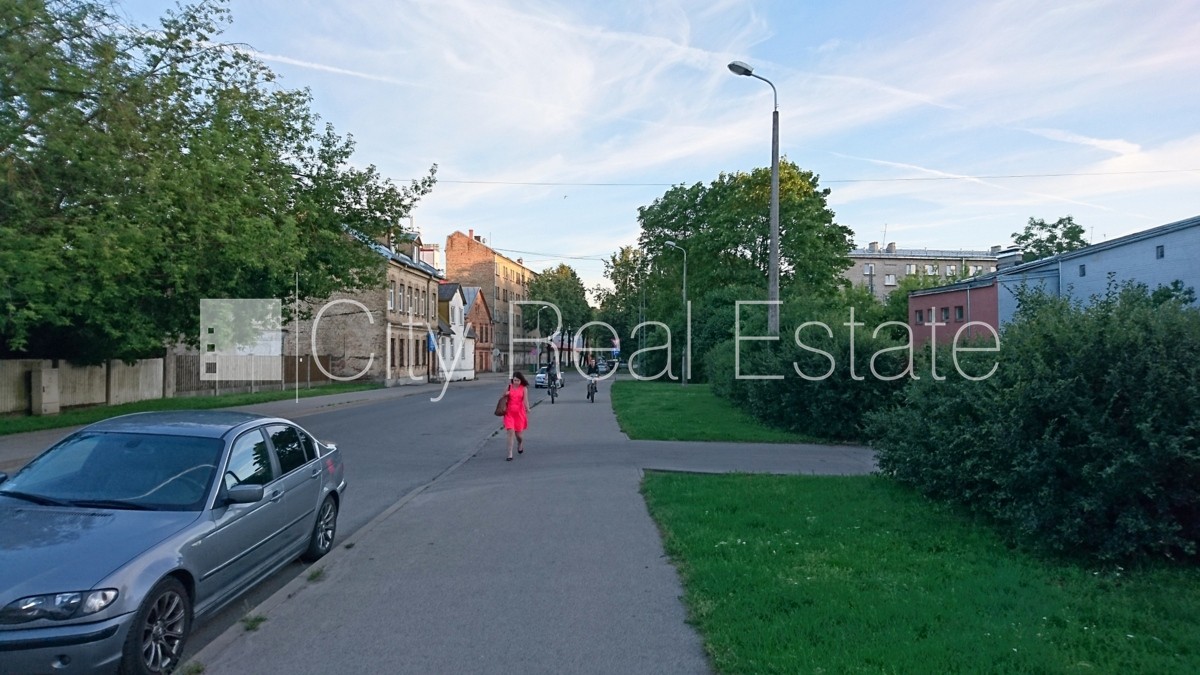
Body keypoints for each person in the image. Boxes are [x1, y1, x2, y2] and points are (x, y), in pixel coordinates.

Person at [503, 371, 530, 461]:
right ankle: (510, 453)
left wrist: (528, 408)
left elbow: (525, 400)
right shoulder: (509, 387)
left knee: (519, 436)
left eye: (518, 380)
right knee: (510, 432)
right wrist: (506, 394)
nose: (516, 382)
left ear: (521, 380)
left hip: (519, 414)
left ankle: (520, 443)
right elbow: (502, 398)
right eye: (515, 380)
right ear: (512, 380)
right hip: (509, 413)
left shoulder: (524, 388)